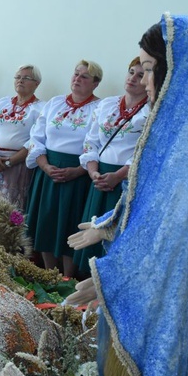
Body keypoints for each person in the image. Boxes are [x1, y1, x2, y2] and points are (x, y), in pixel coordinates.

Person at [67, 14, 188, 376]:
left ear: (177, 70)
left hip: (160, 300)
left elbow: (169, 238)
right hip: (141, 285)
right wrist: (107, 224)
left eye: (151, 67)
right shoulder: (173, 132)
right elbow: (146, 204)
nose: (144, 79)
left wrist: (110, 279)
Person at [25, 60, 103, 277]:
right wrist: (45, 166)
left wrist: (78, 170)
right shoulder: (54, 103)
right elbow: (36, 137)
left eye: (84, 77)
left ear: (95, 84)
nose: (77, 79)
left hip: (78, 175)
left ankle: (68, 277)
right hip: (48, 172)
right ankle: (50, 274)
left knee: (70, 224)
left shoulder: (100, 108)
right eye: (76, 74)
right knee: (46, 222)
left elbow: (96, 143)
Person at [72, 57, 149, 272]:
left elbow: (145, 152)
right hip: (99, 179)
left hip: (126, 182)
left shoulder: (150, 112)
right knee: (90, 234)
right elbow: (91, 140)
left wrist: (119, 175)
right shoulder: (107, 104)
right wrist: (93, 171)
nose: (133, 78)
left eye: (141, 75)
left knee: (115, 238)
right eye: (131, 72)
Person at [0, 64, 44, 210]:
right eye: (18, 77)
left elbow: (34, 141)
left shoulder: (40, 109)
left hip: (17, 164)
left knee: (9, 210)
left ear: (36, 84)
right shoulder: (1, 104)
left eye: (26, 78)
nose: (21, 81)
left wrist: (9, 162)